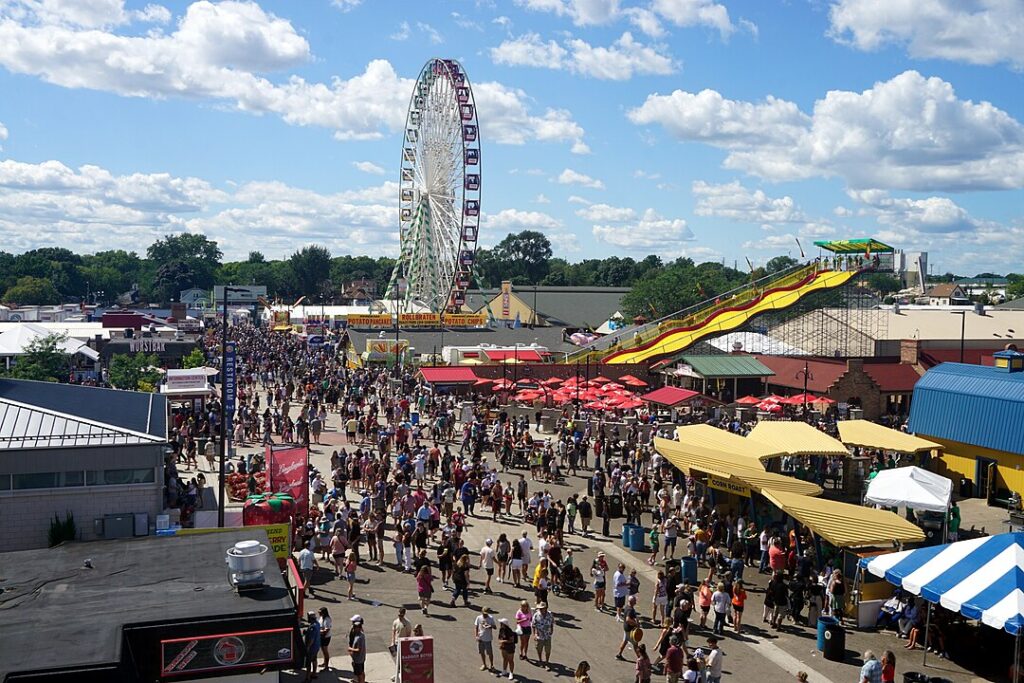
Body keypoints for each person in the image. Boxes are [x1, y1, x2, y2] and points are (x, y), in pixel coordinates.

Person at [532, 601, 555, 669]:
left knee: (548, 650)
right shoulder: (536, 615)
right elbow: (533, 625)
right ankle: (540, 660)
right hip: (540, 635)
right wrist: (534, 634)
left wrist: (552, 630)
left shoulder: (550, 614)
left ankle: (547, 662)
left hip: (547, 635)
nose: (541, 610)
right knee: (539, 649)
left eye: (542, 608)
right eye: (540, 608)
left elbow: (552, 622)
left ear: (546, 608)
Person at [617, 594, 641, 660]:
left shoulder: (627, 607)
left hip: (626, 628)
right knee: (635, 645)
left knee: (625, 641)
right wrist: (636, 623)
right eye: (635, 601)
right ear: (632, 602)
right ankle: (640, 659)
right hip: (630, 630)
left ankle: (619, 654)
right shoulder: (630, 610)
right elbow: (628, 619)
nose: (636, 602)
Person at [474, 606, 497, 672]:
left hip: (488, 639)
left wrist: (490, 626)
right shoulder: (478, 618)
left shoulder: (491, 618)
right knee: (482, 652)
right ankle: (484, 664)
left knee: (490, 653)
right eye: (484, 613)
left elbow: (495, 627)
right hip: (481, 638)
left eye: (486, 613)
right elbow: (476, 627)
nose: (485, 614)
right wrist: (476, 636)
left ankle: (491, 665)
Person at [347, 615, 367, 683]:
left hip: (358, 657)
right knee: (360, 671)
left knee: (359, 673)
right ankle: (360, 680)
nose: (353, 627)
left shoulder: (359, 637)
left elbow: (358, 649)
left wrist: (351, 649)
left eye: (355, 627)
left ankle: (360, 681)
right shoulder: (360, 634)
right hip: (360, 657)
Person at [303, 611, 321, 682]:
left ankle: (307, 677)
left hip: (312, 648)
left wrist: (307, 647)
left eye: (308, 617)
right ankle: (314, 673)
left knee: (308, 662)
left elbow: (311, 639)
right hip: (317, 646)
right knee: (314, 659)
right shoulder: (317, 624)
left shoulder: (312, 627)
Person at [318, 607, 333, 672]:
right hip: (321, 636)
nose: (319, 613)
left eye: (320, 612)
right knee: (323, 650)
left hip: (326, 637)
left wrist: (319, 631)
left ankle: (326, 666)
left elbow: (327, 630)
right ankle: (324, 662)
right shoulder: (321, 618)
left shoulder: (327, 619)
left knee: (325, 650)